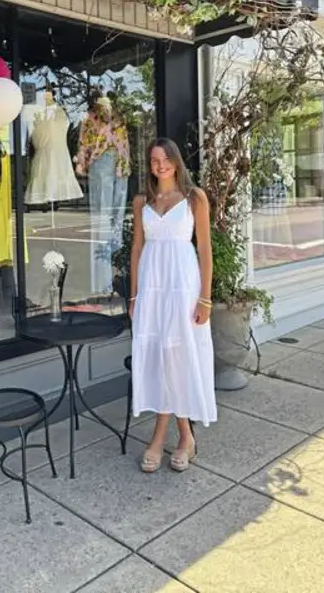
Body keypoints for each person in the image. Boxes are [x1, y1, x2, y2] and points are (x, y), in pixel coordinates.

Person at [129, 137, 217, 473]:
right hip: (152, 290)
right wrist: (134, 296)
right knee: (159, 358)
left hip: (183, 288)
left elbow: (204, 249)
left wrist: (205, 297)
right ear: (149, 165)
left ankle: (163, 437)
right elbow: (137, 249)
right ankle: (184, 437)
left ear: (176, 161)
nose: (161, 165)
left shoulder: (195, 198)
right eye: (154, 160)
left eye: (166, 158)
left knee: (178, 357)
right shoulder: (142, 201)